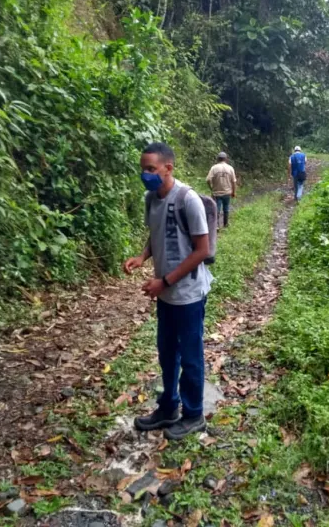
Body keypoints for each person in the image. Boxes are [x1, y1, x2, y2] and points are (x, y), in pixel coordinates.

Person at [123, 142, 212, 440]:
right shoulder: (151, 198)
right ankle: (168, 407)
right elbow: (157, 233)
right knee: (167, 353)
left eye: (151, 169)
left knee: (190, 355)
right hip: (166, 294)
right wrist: (143, 256)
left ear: (168, 168)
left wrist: (165, 281)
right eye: (143, 169)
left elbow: (202, 250)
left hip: (188, 294)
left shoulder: (188, 200)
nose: (146, 174)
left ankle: (194, 413)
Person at [206, 151, 237, 228]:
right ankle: (225, 224)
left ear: (218, 159)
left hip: (217, 193)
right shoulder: (230, 168)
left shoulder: (214, 168)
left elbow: (208, 180)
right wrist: (233, 192)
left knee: (217, 209)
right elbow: (233, 182)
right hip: (227, 192)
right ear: (226, 159)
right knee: (226, 208)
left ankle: (216, 226)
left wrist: (211, 188)